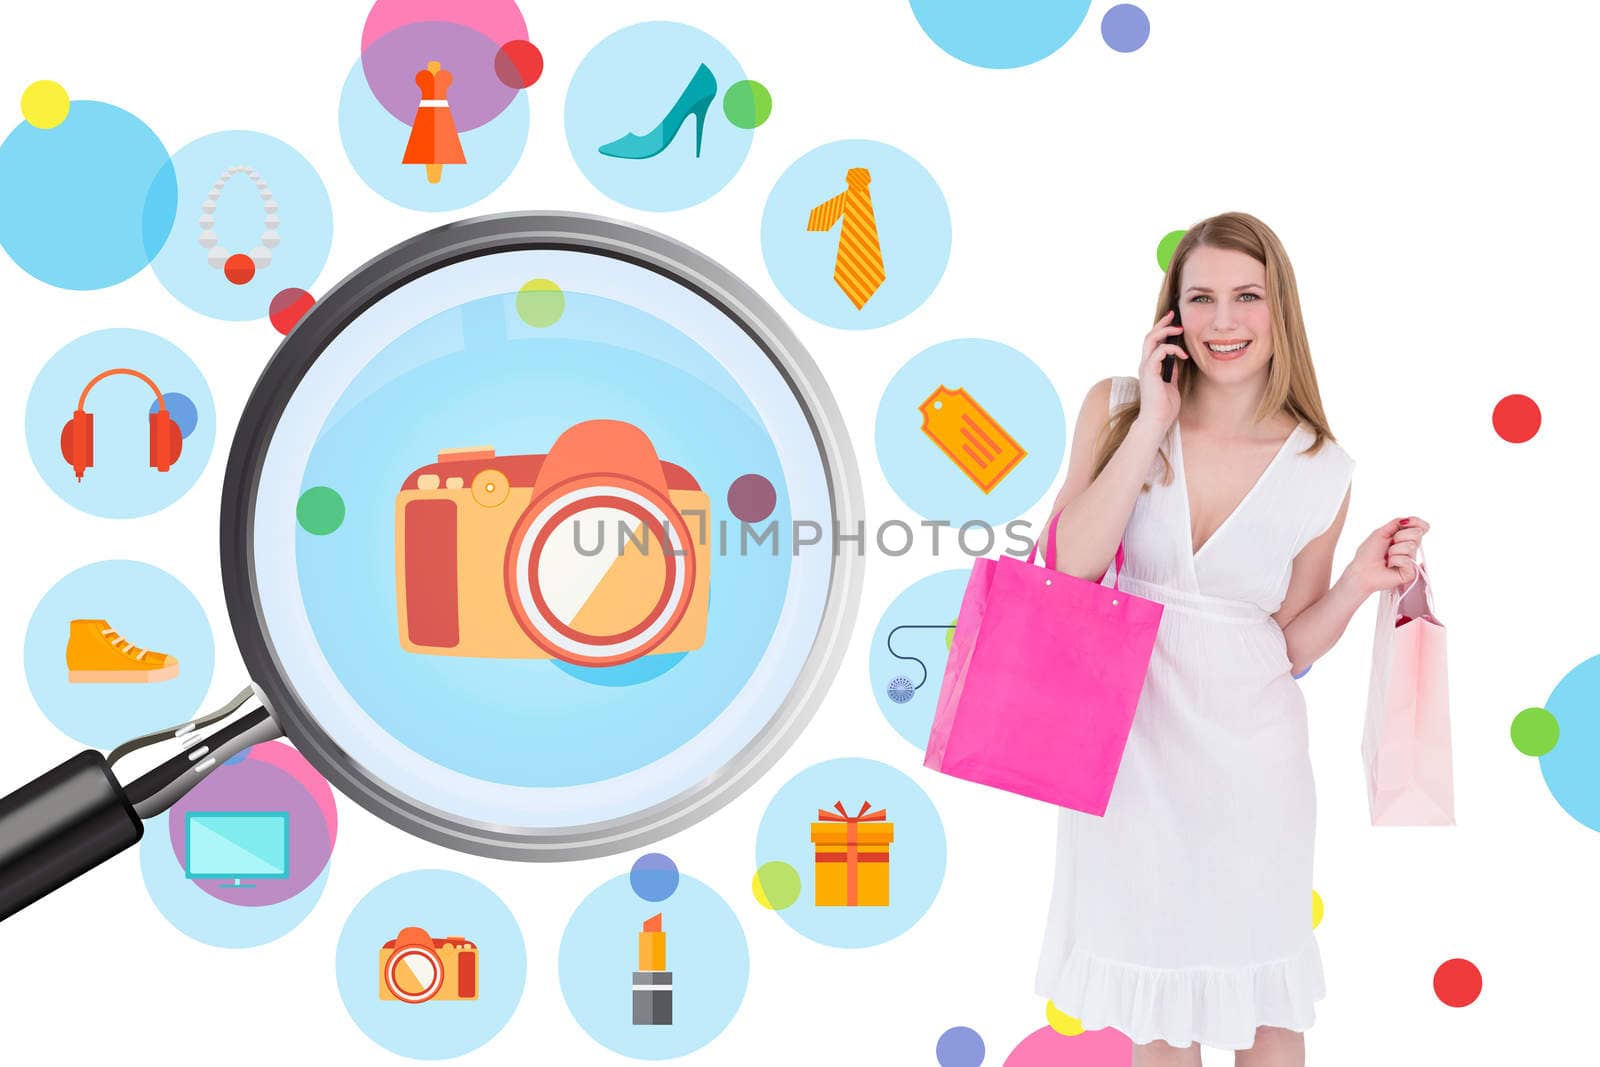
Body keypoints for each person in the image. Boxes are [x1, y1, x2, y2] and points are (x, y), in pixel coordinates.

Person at [1032, 212, 1429, 1066]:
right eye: (1200, 297)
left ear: (1278, 309)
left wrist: (1360, 579)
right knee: (1159, 1005)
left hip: (1253, 765)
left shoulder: (1324, 467)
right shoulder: (1118, 408)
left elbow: (1286, 647)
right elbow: (1067, 567)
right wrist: (1150, 424)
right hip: (1128, 750)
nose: (1223, 321)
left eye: (1246, 297)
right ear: (1170, 312)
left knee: (1264, 1009)